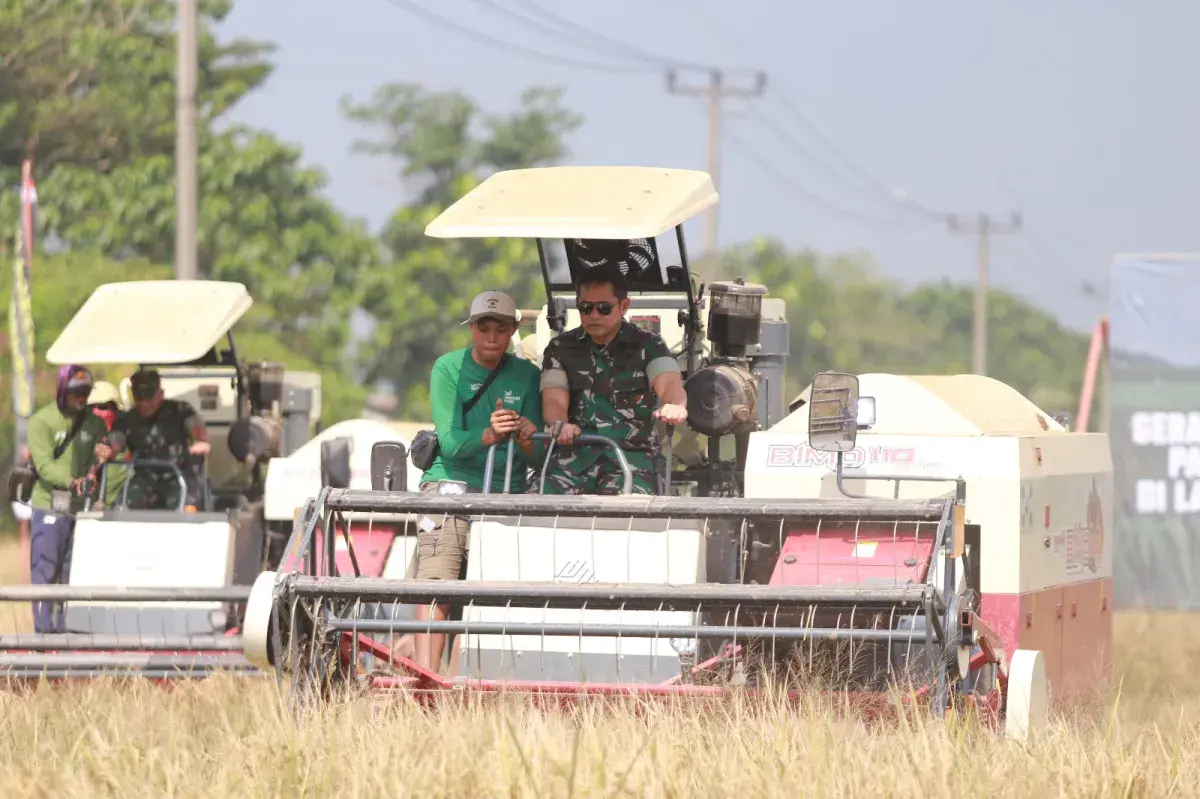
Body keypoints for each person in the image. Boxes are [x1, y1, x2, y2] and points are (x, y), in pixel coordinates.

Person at [411, 289, 542, 672]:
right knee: (436, 585)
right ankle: (427, 682)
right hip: (447, 487)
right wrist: (491, 433)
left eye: (500, 328)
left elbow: (536, 456)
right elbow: (450, 444)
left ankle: (474, 684)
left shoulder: (528, 375)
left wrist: (525, 434)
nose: (491, 336)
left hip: (506, 492)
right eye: (483, 327)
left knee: (493, 597)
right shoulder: (447, 368)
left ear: (513, 330)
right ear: (471, 328)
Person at [539, 263, 688, 495]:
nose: (594, 315)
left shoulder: (649, 345)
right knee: (534, 504)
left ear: (624, 306)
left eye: (604, 308)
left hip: (631, 460)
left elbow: (668, 382)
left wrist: (674, 405)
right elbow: (553, 398)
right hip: (574, 459)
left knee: (628, 510)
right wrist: (559, 424)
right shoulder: (560, 348)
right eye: (585, 308)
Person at [25, 365, 109, 633]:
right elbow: (44, 466)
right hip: (50, 506)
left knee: (73, 573)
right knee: (46, 571)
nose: (81, 398)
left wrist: (102, 457)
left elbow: (101, 456)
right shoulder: (41, 421)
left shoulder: (95, 423)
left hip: (81, 510)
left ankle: (67, 635)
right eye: (76, 392)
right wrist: (73, 481)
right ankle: (42, 636)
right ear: (62, 391)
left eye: (86, 392)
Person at [99, 369, 210, 510]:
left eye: (149, 397)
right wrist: (107, 450)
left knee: (186, 506)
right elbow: (115, 443)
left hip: (178, 476)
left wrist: (201, 442)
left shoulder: (180, 410)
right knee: (123, 504)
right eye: (139, 398)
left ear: (161, 394)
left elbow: (199, 432)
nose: (145, 403)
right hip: (144, 479)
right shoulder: (128, 419)